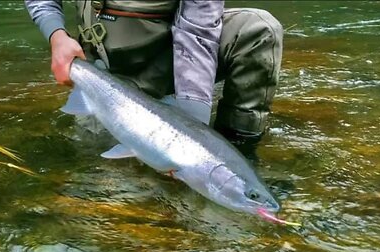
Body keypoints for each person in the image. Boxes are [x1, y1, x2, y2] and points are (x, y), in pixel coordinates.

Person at [25, 0, 283, 157]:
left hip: (170, 63)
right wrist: (56, 35)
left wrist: (191, 141)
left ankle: (239, 153)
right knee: (104, 174)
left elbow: (197, 36)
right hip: (106, 75)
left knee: (259, 30)